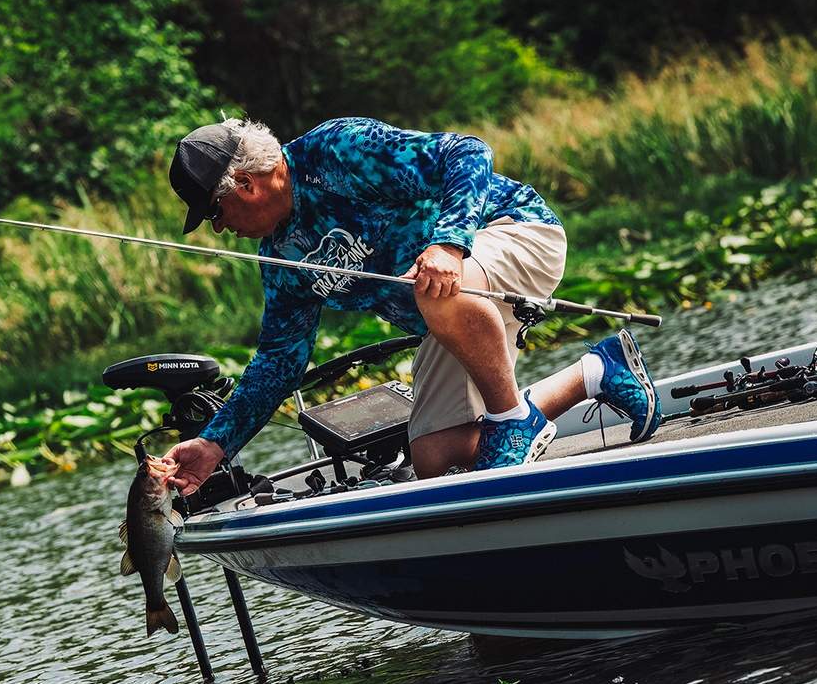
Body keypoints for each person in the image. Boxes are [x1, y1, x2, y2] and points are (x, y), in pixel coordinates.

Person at [162, 116, 660, 495]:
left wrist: (449, 244)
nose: (219, 228)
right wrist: (214, 444)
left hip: (515, 234)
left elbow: (468, 153)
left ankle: (513, 418)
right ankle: (595, 373)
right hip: (450, 311)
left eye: (214, 212)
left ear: (246, 184)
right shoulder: (279, 258)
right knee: (435, 457)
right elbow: (279, 360)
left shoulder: (336, 152)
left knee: (431, 286)